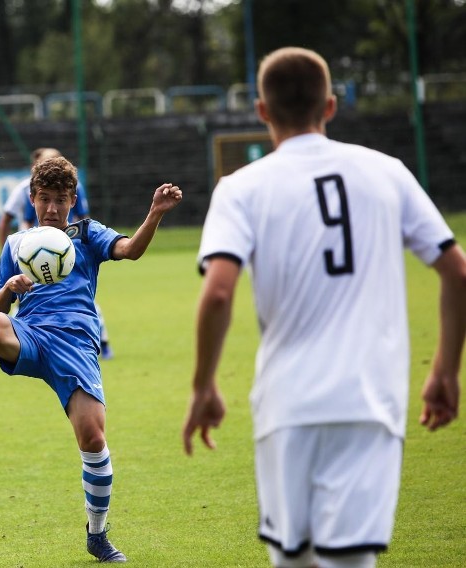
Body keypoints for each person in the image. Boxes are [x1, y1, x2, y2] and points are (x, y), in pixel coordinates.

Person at [181, 46, 465, 568]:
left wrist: (204, 386)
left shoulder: (239, 188)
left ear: (262, 111)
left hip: (287, 404)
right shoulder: (388, 172)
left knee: (295, 560)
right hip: (368, 403)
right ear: (330, 106)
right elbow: (456, 271)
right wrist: (445, 369)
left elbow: (218, 292)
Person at [0, 155, 182, 563]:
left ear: (73, 200)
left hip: (76, 345)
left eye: (61, 199)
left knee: (93, 439)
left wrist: (154, 213)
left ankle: (98, 534)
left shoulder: (86, 233)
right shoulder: (17, 244)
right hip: (30, 334)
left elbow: (129, 250)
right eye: (45, 198)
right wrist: (11, 288)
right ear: (32, 198)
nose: (52, 208)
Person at [0, 147, 114, 359]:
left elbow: (82, 217)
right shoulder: (26, 190)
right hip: (34, 255)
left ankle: (102, 342)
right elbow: (13, 218)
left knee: (82, 301)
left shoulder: (71, 194)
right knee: (23, 302)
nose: (52, 207)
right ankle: (21, 339)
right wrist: (16, 252)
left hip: (60, 251)